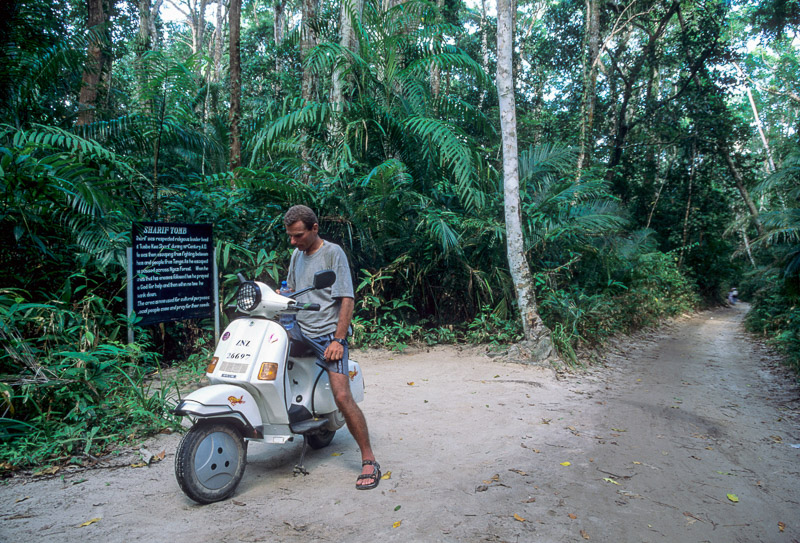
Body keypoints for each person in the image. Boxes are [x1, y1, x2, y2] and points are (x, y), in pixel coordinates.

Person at [283, 205, 381, 490]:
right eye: (290, 236)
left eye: (298, 235)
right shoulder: (296, 255)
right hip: (300, 330)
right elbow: (290, 289)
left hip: (327, 333)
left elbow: (346, 299)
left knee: (341, 394)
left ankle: (369, 459)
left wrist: (339, 339)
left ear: (314, 228)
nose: (293, 241)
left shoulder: (332, 253)